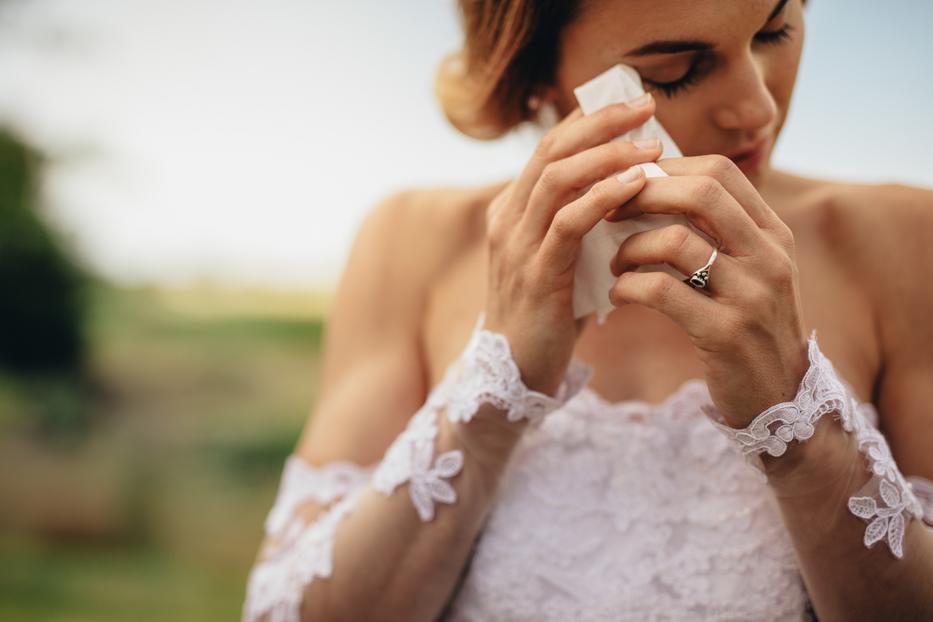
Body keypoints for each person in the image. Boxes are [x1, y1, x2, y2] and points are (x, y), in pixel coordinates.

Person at [242, 1, 933, 620]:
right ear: (537, 77)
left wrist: (793, 413)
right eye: (676, 70)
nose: (755, 109)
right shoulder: (411, 241)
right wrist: (495, 390)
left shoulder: (901, 239)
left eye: (774, 28)